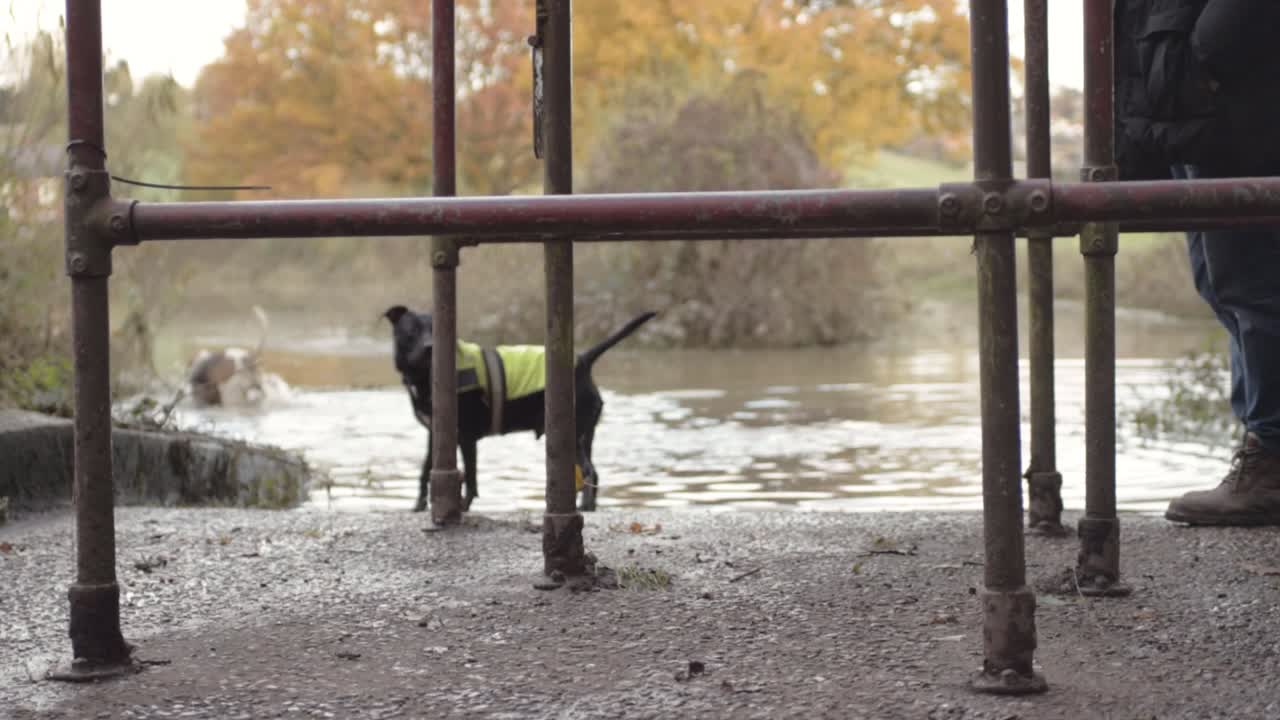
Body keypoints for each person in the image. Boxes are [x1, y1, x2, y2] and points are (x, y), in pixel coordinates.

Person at [1114, 0, 1280, 525]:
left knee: (1253, 288)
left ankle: (1270, 461)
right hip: (1189, 112)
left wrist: (1200, 60)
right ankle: (1262, 445)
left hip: (1229, 110)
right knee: (1222, 285)